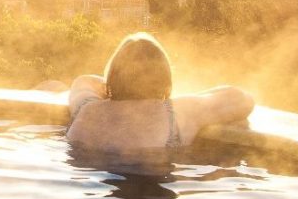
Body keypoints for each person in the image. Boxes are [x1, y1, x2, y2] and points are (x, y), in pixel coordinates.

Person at [65, 33, 253, 162]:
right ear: (165, 80)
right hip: (153, 190)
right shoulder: (176, 113)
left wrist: (114, 85)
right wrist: (181, 98)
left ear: (112, 79)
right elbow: (242, 100)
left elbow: (84, 81)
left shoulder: (87, 110)